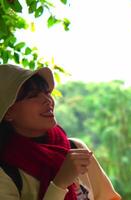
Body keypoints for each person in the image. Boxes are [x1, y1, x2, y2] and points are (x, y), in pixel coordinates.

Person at [0, 64, 122, 200]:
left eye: (46, 93)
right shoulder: (6, 173)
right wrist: (60, 184)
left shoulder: (75, 148)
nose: (48, 100)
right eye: (33, 96)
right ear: (8, 112)